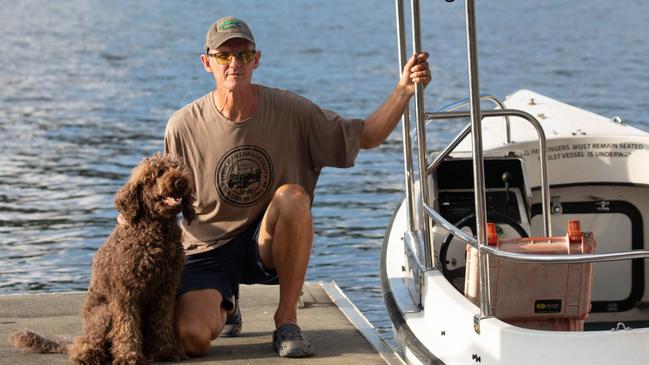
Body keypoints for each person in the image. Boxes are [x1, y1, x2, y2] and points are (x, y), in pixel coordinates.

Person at [164, 16, 430, 358]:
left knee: (293, 197)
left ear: (256, 59)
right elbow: (168, 200)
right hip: (207, 246)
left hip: (265, 241)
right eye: (223, 56)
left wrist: (404, 89)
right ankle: (226, 300)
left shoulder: (292, 111)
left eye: (243, 55)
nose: (234, 64)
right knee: (192, 339)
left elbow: (366, 135)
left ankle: (286, 320)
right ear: (207, 63)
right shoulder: (182, 125)